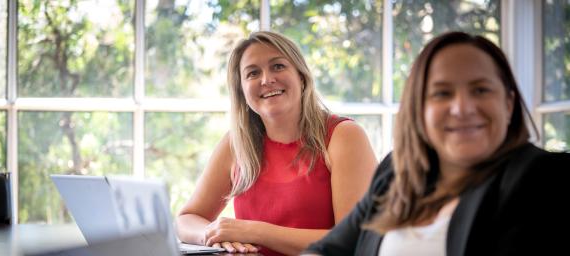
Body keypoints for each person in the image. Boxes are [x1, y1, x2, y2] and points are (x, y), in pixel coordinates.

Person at [302, 31, 570, 256]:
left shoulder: (544, 177)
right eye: (442, 93)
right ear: (420, 109)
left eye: (480, 90)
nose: (462, 108)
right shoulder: (396, 171)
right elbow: (328, 250)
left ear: (508, 104)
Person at [176, 31, 378, 256]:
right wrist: (214, 234)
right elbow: (186, 219)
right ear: (241, 91)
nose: (266, 79)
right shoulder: (236, 143)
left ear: (301, 77)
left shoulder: (344, 136)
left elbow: (353, 240)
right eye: (253, 73)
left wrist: (253, 231)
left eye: (278, 66)